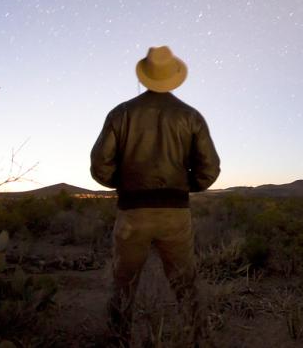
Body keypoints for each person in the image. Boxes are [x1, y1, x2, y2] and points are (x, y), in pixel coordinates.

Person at [90, 45, 221, 343]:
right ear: (173, 76)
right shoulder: (191, 116)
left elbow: (100, 166)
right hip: (174, 214)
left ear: (145, 76)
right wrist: (184, 186)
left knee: (123, 283)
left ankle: (118, 340)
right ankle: (198, 338)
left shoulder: (120, 113)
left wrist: (123, 183)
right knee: (185, 283)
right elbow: (209, 169)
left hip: (132, 214)